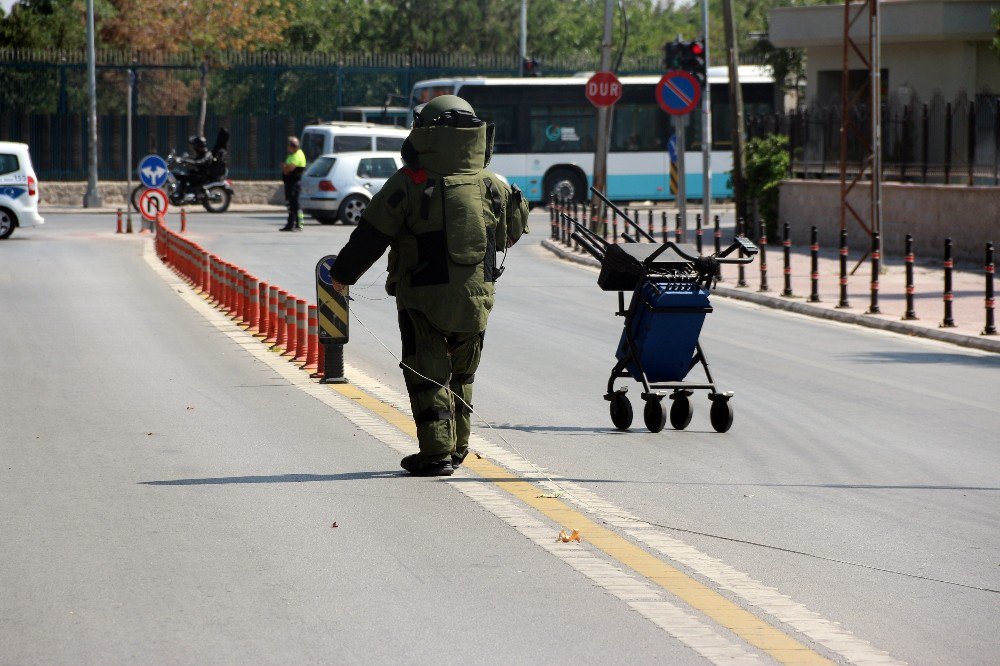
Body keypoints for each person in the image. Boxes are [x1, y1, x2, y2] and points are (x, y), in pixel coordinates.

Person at [328, 95, 530, 476]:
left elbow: (371, 235)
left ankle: (436, 453)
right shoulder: (491, 184)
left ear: (425, 134)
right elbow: (509, 237)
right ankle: (458, 448)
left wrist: (342, 276)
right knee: (463, 375)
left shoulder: (409, 182)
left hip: (422, 296)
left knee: (427, 372)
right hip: (477, 296)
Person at [280, 136, 307, 231]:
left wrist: (284, 167)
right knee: (290, 204)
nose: (287, 148)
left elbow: (288, 169)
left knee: (295, 204)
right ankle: (290, 224)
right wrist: (285, 168)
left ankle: (299, 224)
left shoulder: (297, 155)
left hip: (294, 184)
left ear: (293, 146)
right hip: (289, 183)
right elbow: (285, 168)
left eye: (289, 146)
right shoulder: (291, 155)